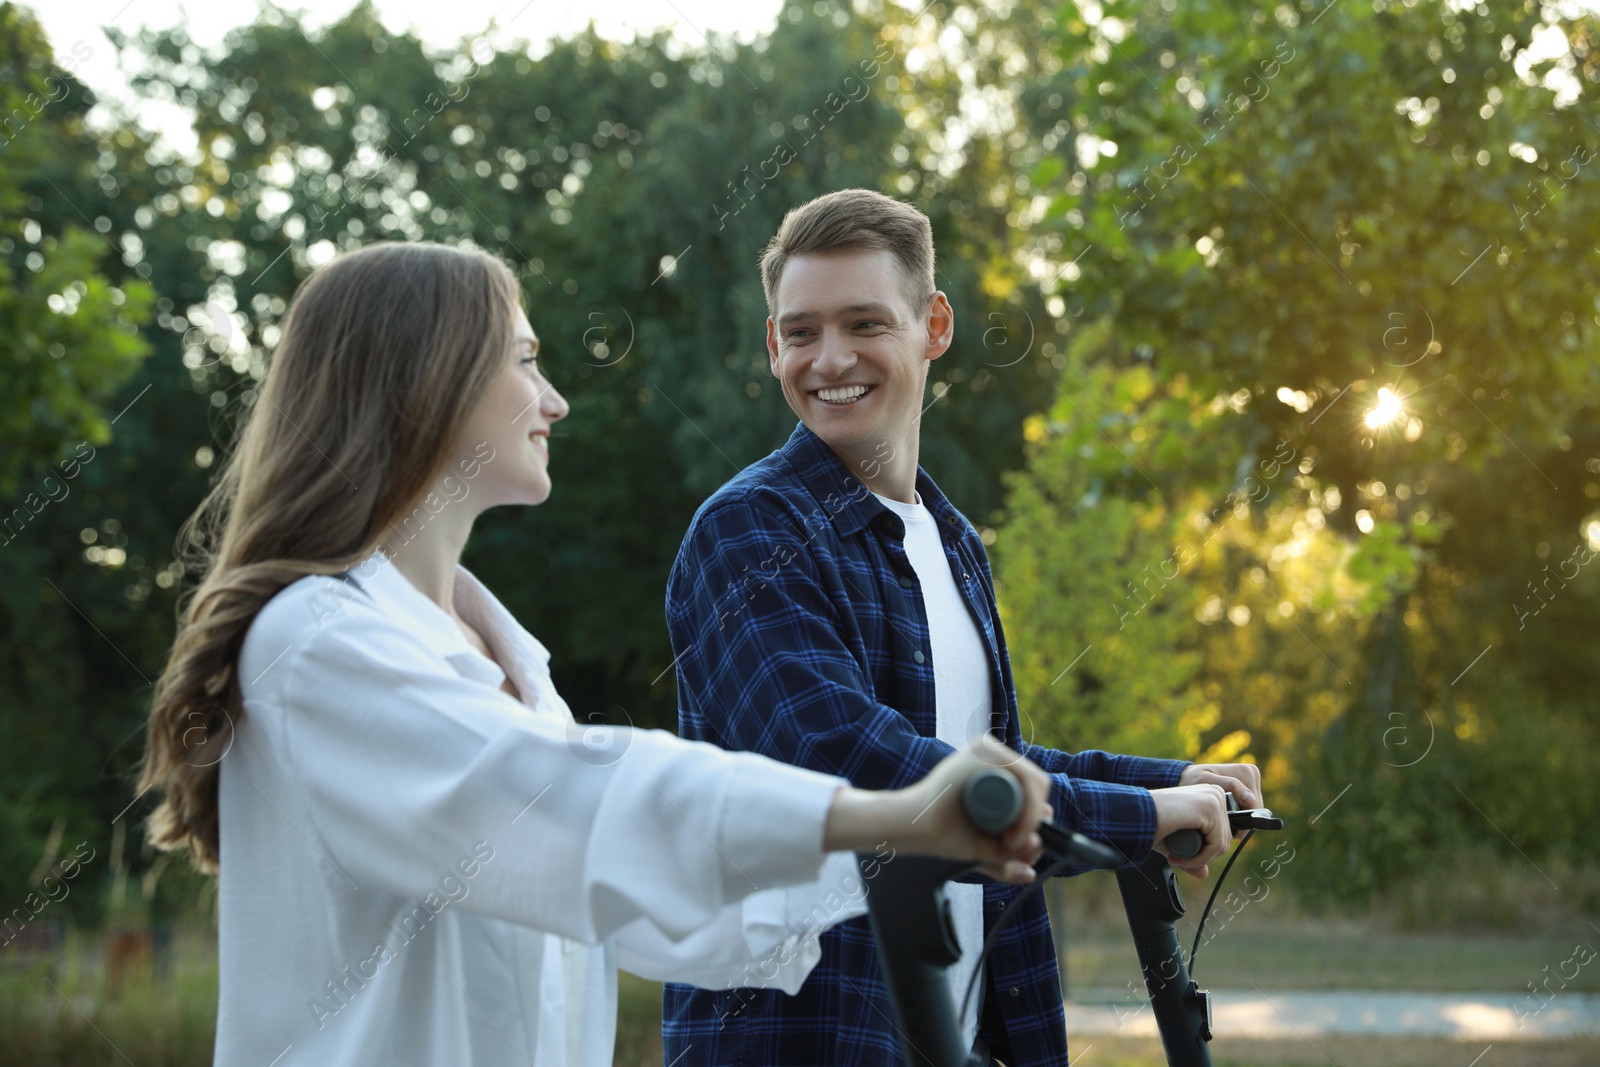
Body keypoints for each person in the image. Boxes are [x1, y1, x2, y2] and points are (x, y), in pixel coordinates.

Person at [134, 240, 1055, 1067]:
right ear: (428, 381)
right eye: (527, 361)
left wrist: (896, 847)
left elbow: (661, 904)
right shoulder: (317, 642)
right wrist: (881, 814)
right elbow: (571, 797)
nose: (555, 399)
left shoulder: (510, 669)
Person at [660, 189, 1264, 1066]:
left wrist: (1168, 778)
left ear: (933, 325)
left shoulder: (949, 541)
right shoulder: (751, 532)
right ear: (772, 345)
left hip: (962, 1036)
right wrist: (1138, 814)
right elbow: (861, 768)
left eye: (864, 323)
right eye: (800, 332)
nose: (830, 359)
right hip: (808, 1037)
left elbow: (983, 757)